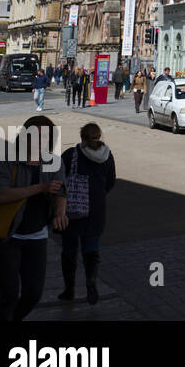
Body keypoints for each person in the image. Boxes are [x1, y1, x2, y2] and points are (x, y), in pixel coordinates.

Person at [0, 115, 67, 321]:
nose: (40, 140)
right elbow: (0, 195)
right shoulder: (8, 160)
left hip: (37, 236)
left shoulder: (54, 162)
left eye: (45, 136)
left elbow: (61, 192)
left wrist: (60, 212)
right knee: (9, 295)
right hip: (7, 235)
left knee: (33, 294)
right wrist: (39, 188)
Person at [58, 123, 116, 305]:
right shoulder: (107, 155)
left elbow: (58, 179)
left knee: (69, 250)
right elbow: (111, 181)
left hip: (72, 209)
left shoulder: (71, 154)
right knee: (91, 249)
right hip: (96, 210)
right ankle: (91, 282)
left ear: (81, 137)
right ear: (99, 136)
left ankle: (69, 289)